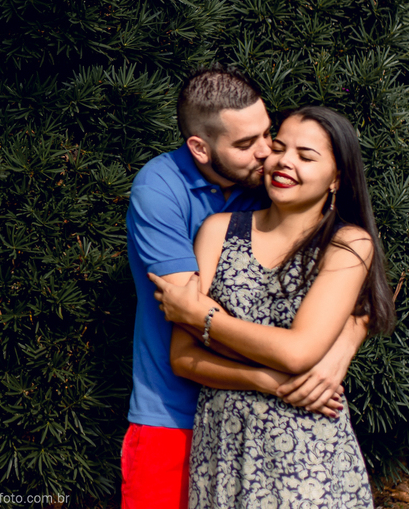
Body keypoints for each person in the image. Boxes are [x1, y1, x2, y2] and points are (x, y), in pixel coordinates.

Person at [124, 68, 368, 509]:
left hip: (290, 422)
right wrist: (290, 364)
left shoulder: (272, 188)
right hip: (174, 410)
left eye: (267, 136)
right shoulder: (160, 191)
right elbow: (186, 312)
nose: (267, 155)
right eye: (245, 145)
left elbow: (361, 285)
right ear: (200, 148)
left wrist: (339, 347)